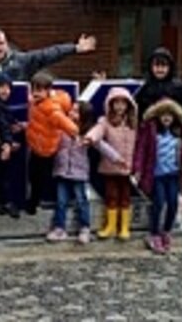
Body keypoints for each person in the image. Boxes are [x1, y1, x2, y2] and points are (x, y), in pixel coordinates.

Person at [133, 99, 182, 254]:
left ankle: (166, 231)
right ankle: (154, 234)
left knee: (173, 204)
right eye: (163, 115)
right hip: (156, 175)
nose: (166, 118)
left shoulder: (178, 133)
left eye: (170, 115)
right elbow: (141, 150)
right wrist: (137, 168)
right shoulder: (150, 130)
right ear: (158, 116)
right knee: (158, 203)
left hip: (173, 175)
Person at [46, 101, 121, 245]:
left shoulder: (87, 133)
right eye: (71, 110)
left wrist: (116, 158)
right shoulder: (61, 129)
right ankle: (59, 228)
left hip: (79, 173)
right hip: (62, 171)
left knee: (82, 201)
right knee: (61, 202)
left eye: (76, 111)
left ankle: (85, 228)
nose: (71, 113)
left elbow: (102, 146)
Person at [84, 87, 139, 240]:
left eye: (123, 103)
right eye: (116, 103)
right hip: (110, 167)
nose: (120, 107)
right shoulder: (105, 121)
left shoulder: (133, 123)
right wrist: (90, 138)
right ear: (110, 104)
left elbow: (140, 144)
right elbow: (97, 131)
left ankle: (124, 227)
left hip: (127, 168)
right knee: (111, 196)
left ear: (129, 105)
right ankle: (110, 226)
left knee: (125, 197)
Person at [25, 71, 78, 215]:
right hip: (37, 146)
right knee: (33, 175)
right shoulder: (37, 103)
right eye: (34, 89)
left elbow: (68, 125)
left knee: (38, 179)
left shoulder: (51, 109)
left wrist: (76, 133)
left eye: (40, 90)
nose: (36, 93)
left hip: (45, 150)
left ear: (48, 91)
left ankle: (33, 205)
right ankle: (35, 201)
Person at [132, 47, 182, 119]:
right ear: (151, 67)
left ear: (170, 67)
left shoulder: (177, 87)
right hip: (151, 127)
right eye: (157, 66)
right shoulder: (146, 87)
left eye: (163, 66)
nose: (160, 69)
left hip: (174, 126)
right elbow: (136, 106)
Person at [0, 71, 27, 218]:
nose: (5, 90)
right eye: (1, 87)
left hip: (0, 144)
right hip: (1, 145)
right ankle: (7, 202)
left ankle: (0, 202)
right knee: (6, 175)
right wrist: (8, 142)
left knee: (0, 175)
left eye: (7, 87)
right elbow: (2, 124)